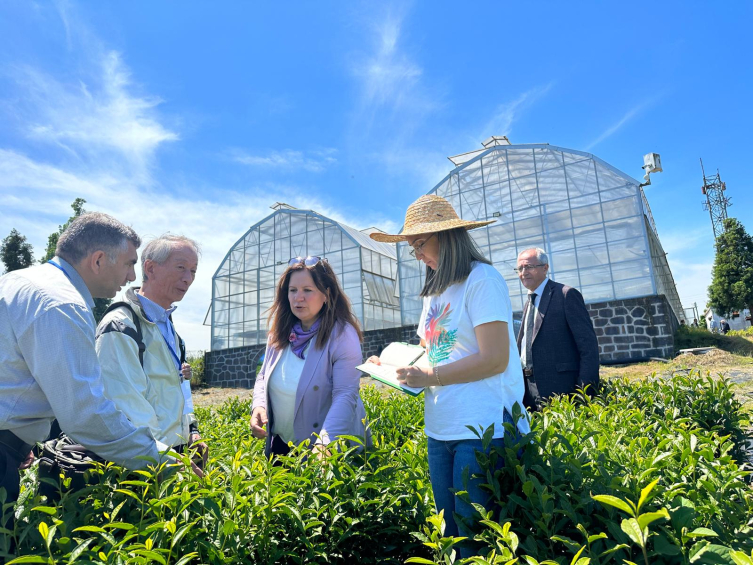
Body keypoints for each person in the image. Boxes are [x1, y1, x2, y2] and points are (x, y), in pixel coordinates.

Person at [0, 214, 197, 545]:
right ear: (98, 260)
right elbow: (85, 414)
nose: (131, 275)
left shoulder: (19, 281)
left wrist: (22, 434)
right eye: (129, 264)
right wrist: (165, 460)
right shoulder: (62, 304)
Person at [369, 194, 529, 557]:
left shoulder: (481, 279)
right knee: (451, 533)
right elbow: (435, 351)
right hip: (440, 425)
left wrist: (429, 377)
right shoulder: (435, 291)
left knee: (475, 539)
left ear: (448, 236)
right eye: (412, 248)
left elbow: (494, 359)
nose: (418, 255)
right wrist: (392, 365)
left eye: (419, 244)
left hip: (481, 426)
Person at [95, 235, 207, 467]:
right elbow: (127, 406)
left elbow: (176, 387)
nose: (188, 279)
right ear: (150, 268)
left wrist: (191, 431)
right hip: (144, 462)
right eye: (181, 268)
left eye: (193, 271)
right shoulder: (121, 325)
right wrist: (170, 464)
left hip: (170, 452)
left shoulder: (167, 326)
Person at [250, 256, 370, 457]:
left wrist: (326, 444)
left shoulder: (341, 334)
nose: (298, 297)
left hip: (323, 447)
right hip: (280, 442)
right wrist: (259, 405)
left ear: (326, 294)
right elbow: (263, 376)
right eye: (293, 290)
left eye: (308, 290)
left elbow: (345, 394)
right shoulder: (279, 333)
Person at [515, 248, 599, 411]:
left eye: (529, 267)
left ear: (545, 268)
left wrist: (584, 393)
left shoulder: (566, 295)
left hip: (562, 389)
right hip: (529, 390)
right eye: (520, 268)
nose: (524, 272)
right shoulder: (529, 302)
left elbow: (588, 347)